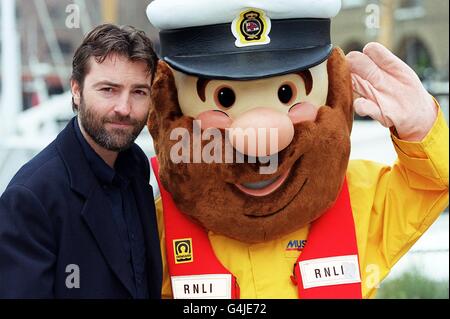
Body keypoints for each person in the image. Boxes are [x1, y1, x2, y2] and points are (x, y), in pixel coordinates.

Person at [145, 0, 448, 299]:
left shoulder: (359, 200)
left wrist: (422, 130)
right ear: (168, 100)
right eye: (224, 98)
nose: (260, 137)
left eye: (285, 93)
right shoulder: (155, 219)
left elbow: (431, 182)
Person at [0, 24, 162, 299]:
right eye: (108, 89)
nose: (124, 108)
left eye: (138, 92)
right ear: (76, 90)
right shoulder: (30, 198)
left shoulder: (136, 166)